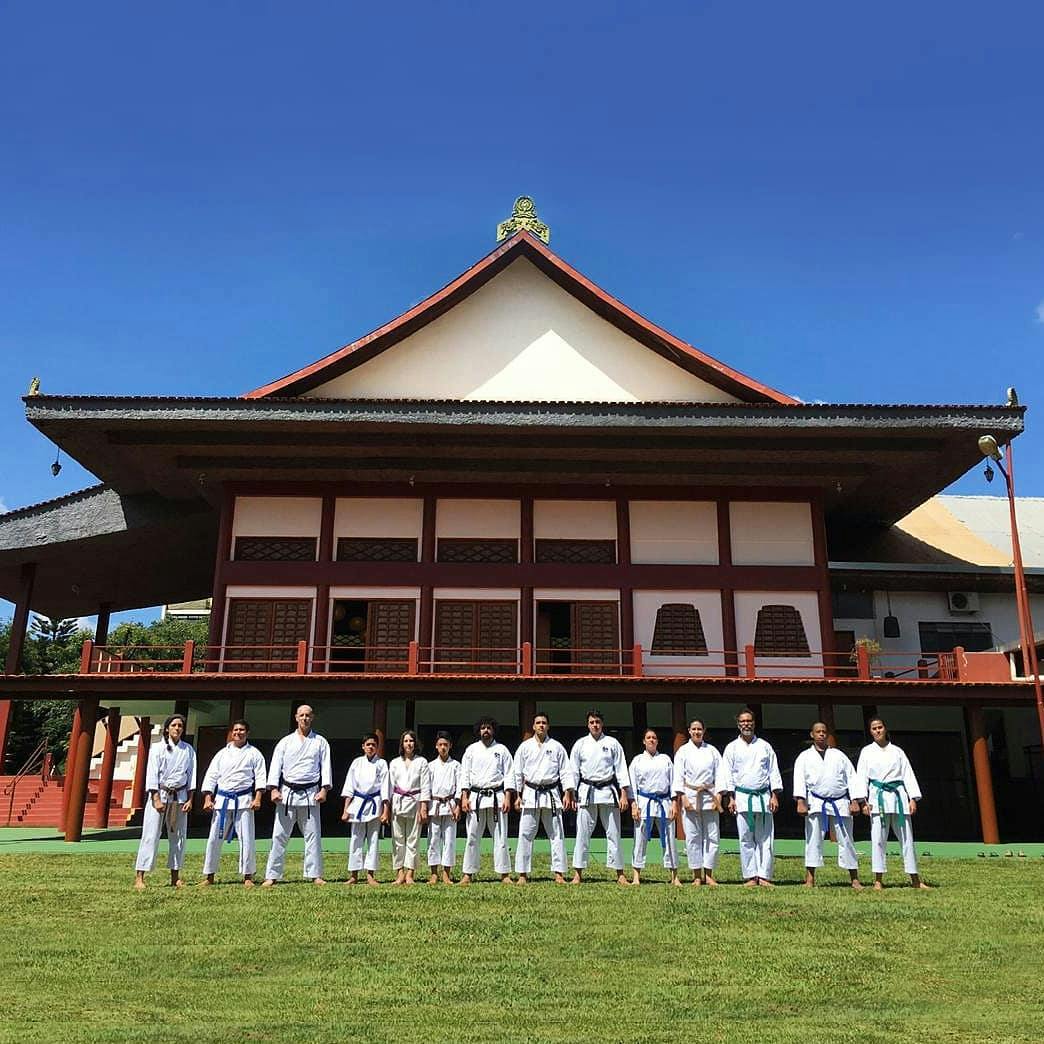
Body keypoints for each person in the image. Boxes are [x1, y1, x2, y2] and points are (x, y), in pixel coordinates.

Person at [262, 705, 333, 887]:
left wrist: (324, 790)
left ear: (312, 717)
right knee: (279, 835)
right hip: (287, 793)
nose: (305, 718)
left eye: (308, 715)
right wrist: (273, 789)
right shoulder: (285, 742)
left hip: (311, 793)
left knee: (313, 835)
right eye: (301, 715)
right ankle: (272, 875)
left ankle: (315, 874)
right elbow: (275, 766)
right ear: (296, 717)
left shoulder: (320, 742)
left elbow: (326, 767)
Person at [856, 717, 930, 890]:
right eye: (874, 728)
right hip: (878, 798)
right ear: (870, 731)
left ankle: (915, 879)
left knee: (907, 838)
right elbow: (861, 777)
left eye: (880, 727)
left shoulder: (897, 751)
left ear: (885, 729)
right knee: (878, 840)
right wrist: (863, 801)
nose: (877, 731)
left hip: (898, 798)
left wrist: (913, 798)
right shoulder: (867, 752)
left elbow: (908, 774)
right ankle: (878, 880)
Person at [792, 721, 864, 889]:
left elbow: (852, 777)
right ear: (812, 735)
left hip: (840, 801)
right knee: (813, 839)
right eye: (818, 731)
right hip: (816, 802)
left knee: (847, 839)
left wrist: (855, 800)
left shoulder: (839, 755)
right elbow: (799, 779)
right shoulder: (804, 757)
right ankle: (810, 879)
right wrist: (800, 801)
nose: (821, 734)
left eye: (824, 731)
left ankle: (854, 879)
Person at [717, 707, 782, 887]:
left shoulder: (765, 746)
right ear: (738, 724)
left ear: (754, 723)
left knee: (765, 837)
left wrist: (774, 795)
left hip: (763, 796)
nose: (746, 724)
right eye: (743, 721)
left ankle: (764, 875)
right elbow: (727, 774)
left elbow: (773, 771)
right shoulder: (732, 748)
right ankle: (751, 875)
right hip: (742, 797)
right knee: (745, 837)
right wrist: (731, 798)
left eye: (749, 721)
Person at [200, 719, 267, 888]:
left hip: (244, 801)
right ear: (231, 732)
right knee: (214, 839)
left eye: (242, 730)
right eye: (236, 730)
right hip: (222, 801)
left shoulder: (254, 753)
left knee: (247, 839)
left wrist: (258, 798)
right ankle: (209, 875)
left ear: (247, 733)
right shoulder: (222, 754)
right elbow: (211, 776)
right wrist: (208, 798)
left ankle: (248, 875)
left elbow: (260, 777)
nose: (238, 732)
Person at [133, 713, 196, 890]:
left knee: (178, 837)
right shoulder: (157, 748)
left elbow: (192, 776)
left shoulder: (188, 750)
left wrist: (190, 799)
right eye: (174, 725)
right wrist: (156, 799)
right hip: (160, 795)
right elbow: (152, 774)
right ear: (167, 728)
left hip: (180, 797)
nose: (177, 728)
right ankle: (140, 876)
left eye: (180, 726)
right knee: (151, 835)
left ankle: (175, 876)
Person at [512, 712, 576, 885]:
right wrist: (517, 795)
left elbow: (565, 771)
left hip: (551, 793)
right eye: (538, 722)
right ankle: (522, 873)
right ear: (533, 726)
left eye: (544, 723)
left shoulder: (556, 747)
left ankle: (559, 873)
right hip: (530, 793)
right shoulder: (525, 747)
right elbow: (517, 772)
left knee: (557, 834)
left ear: (548, 726)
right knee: (525, 834)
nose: (541, 725)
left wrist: (567, 793)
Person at [570, 709, 631, 886]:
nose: (595, 725)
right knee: (582, 833)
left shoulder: (612, 743)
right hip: (586, 791)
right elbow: (573, 771)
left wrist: (624, 794)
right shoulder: (580, 744)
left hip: (608, 791)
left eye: (597, 722)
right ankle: (578, 873)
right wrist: (571, 793)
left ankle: (620, 873)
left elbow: (621, 769)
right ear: (587, 724)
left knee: (614, 833)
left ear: (602, 724)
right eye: (592, 722)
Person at [459, 716, 515, 885]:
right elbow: (465, 775)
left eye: (489, 728)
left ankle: (504, 873)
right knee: (472, 836)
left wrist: (507, 797)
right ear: (479, 730)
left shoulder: (502, 750)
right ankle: (468, 873)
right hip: (476, 797)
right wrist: (464, 797)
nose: (486, 731)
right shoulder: (471, 750)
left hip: (497, 797)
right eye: (483, 728)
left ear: (493, 730)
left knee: (501, 836)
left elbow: (509, 774)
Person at [672, 717, 722, 886]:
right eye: (693, 729)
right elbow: (678, 776)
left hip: (709, 795)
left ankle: (709, 874)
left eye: (699, 729)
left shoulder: (712, 751)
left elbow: (720, 774)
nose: (696, 732)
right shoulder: (683, 751)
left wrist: (719, 796)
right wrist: (683, 797)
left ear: (704, 731)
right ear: (689, 731)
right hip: (691, 795)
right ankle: (697, 875)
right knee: (693, 836)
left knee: (712, 836)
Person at [628, 728, 679, 886]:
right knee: (640, 839)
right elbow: (632, 785)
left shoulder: (665, 759)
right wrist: (634, 805)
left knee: (670, 838)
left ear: (657, 741)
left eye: (654, 738)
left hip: (664, 802)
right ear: (644, 741)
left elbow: (674, 782)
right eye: (648, 737)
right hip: (644, 802)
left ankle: (674, 876)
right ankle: (636, 876)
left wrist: (674, 803)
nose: (651, 740)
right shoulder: (637, 760)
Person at [341, 733, 390, 886]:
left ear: (377, 747)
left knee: (373, 839)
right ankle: (354, 874)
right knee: (356, 839)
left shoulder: (381, 764)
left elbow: (385, 788)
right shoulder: (356, 763)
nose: (370, 747)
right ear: (363, 746)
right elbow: (349, 787)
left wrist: (385, 810)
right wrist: (345, 809)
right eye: (368, 744)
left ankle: (370, 874)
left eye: (373, 745)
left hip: (375, 803)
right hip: (358, 803)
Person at [388, 729, 431, 885]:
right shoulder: (394, 763)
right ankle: (399, 872)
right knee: (397, 839)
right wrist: (387, 807)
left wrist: (424, 807)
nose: (409, 744)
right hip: (398, 802)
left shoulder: (422, 762)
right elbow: (389, 786)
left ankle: (410, 873)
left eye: (411, 741)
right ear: (402, 744)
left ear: (415, 743)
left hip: (415, 802)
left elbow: (425, 786)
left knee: (413, 839)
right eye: (406, 741)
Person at [427, 731, 461, 885]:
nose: (443, 747)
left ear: (450, 746)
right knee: (433, 839)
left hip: (450, 804)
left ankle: (446, 873)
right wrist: (425, 806)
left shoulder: (456, 765)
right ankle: (434, 873)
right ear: (436, 746)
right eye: (440, 745)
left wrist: (458, 806)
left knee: (449, 840)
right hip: (434, 805)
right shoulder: (430, 766)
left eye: (445, 745)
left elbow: (460, 787)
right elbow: (426, 788)